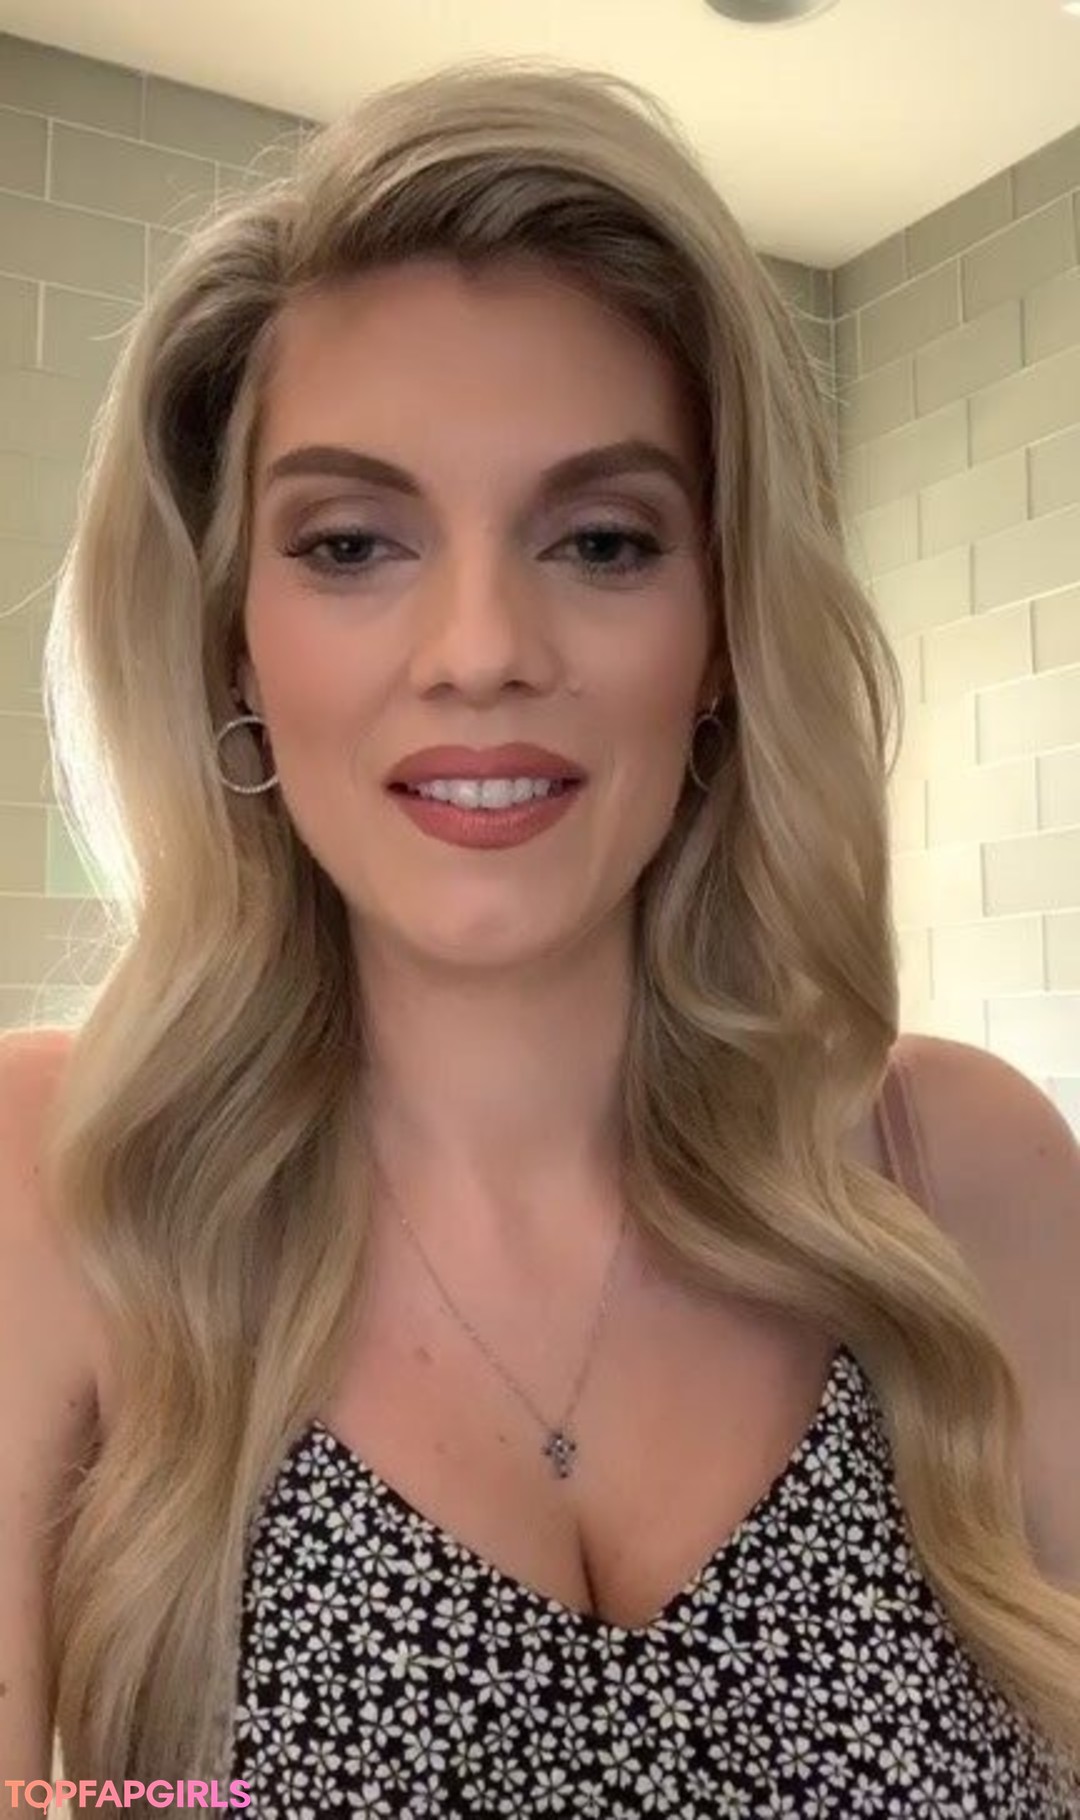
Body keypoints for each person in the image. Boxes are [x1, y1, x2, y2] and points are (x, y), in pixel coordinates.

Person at [3, 57, 1079, 1819]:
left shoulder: (963, 1175)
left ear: (722, 631)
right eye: (354, 543)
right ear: (230, 644)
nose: (484, 648)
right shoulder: (62, 1182)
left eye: (599, 539)